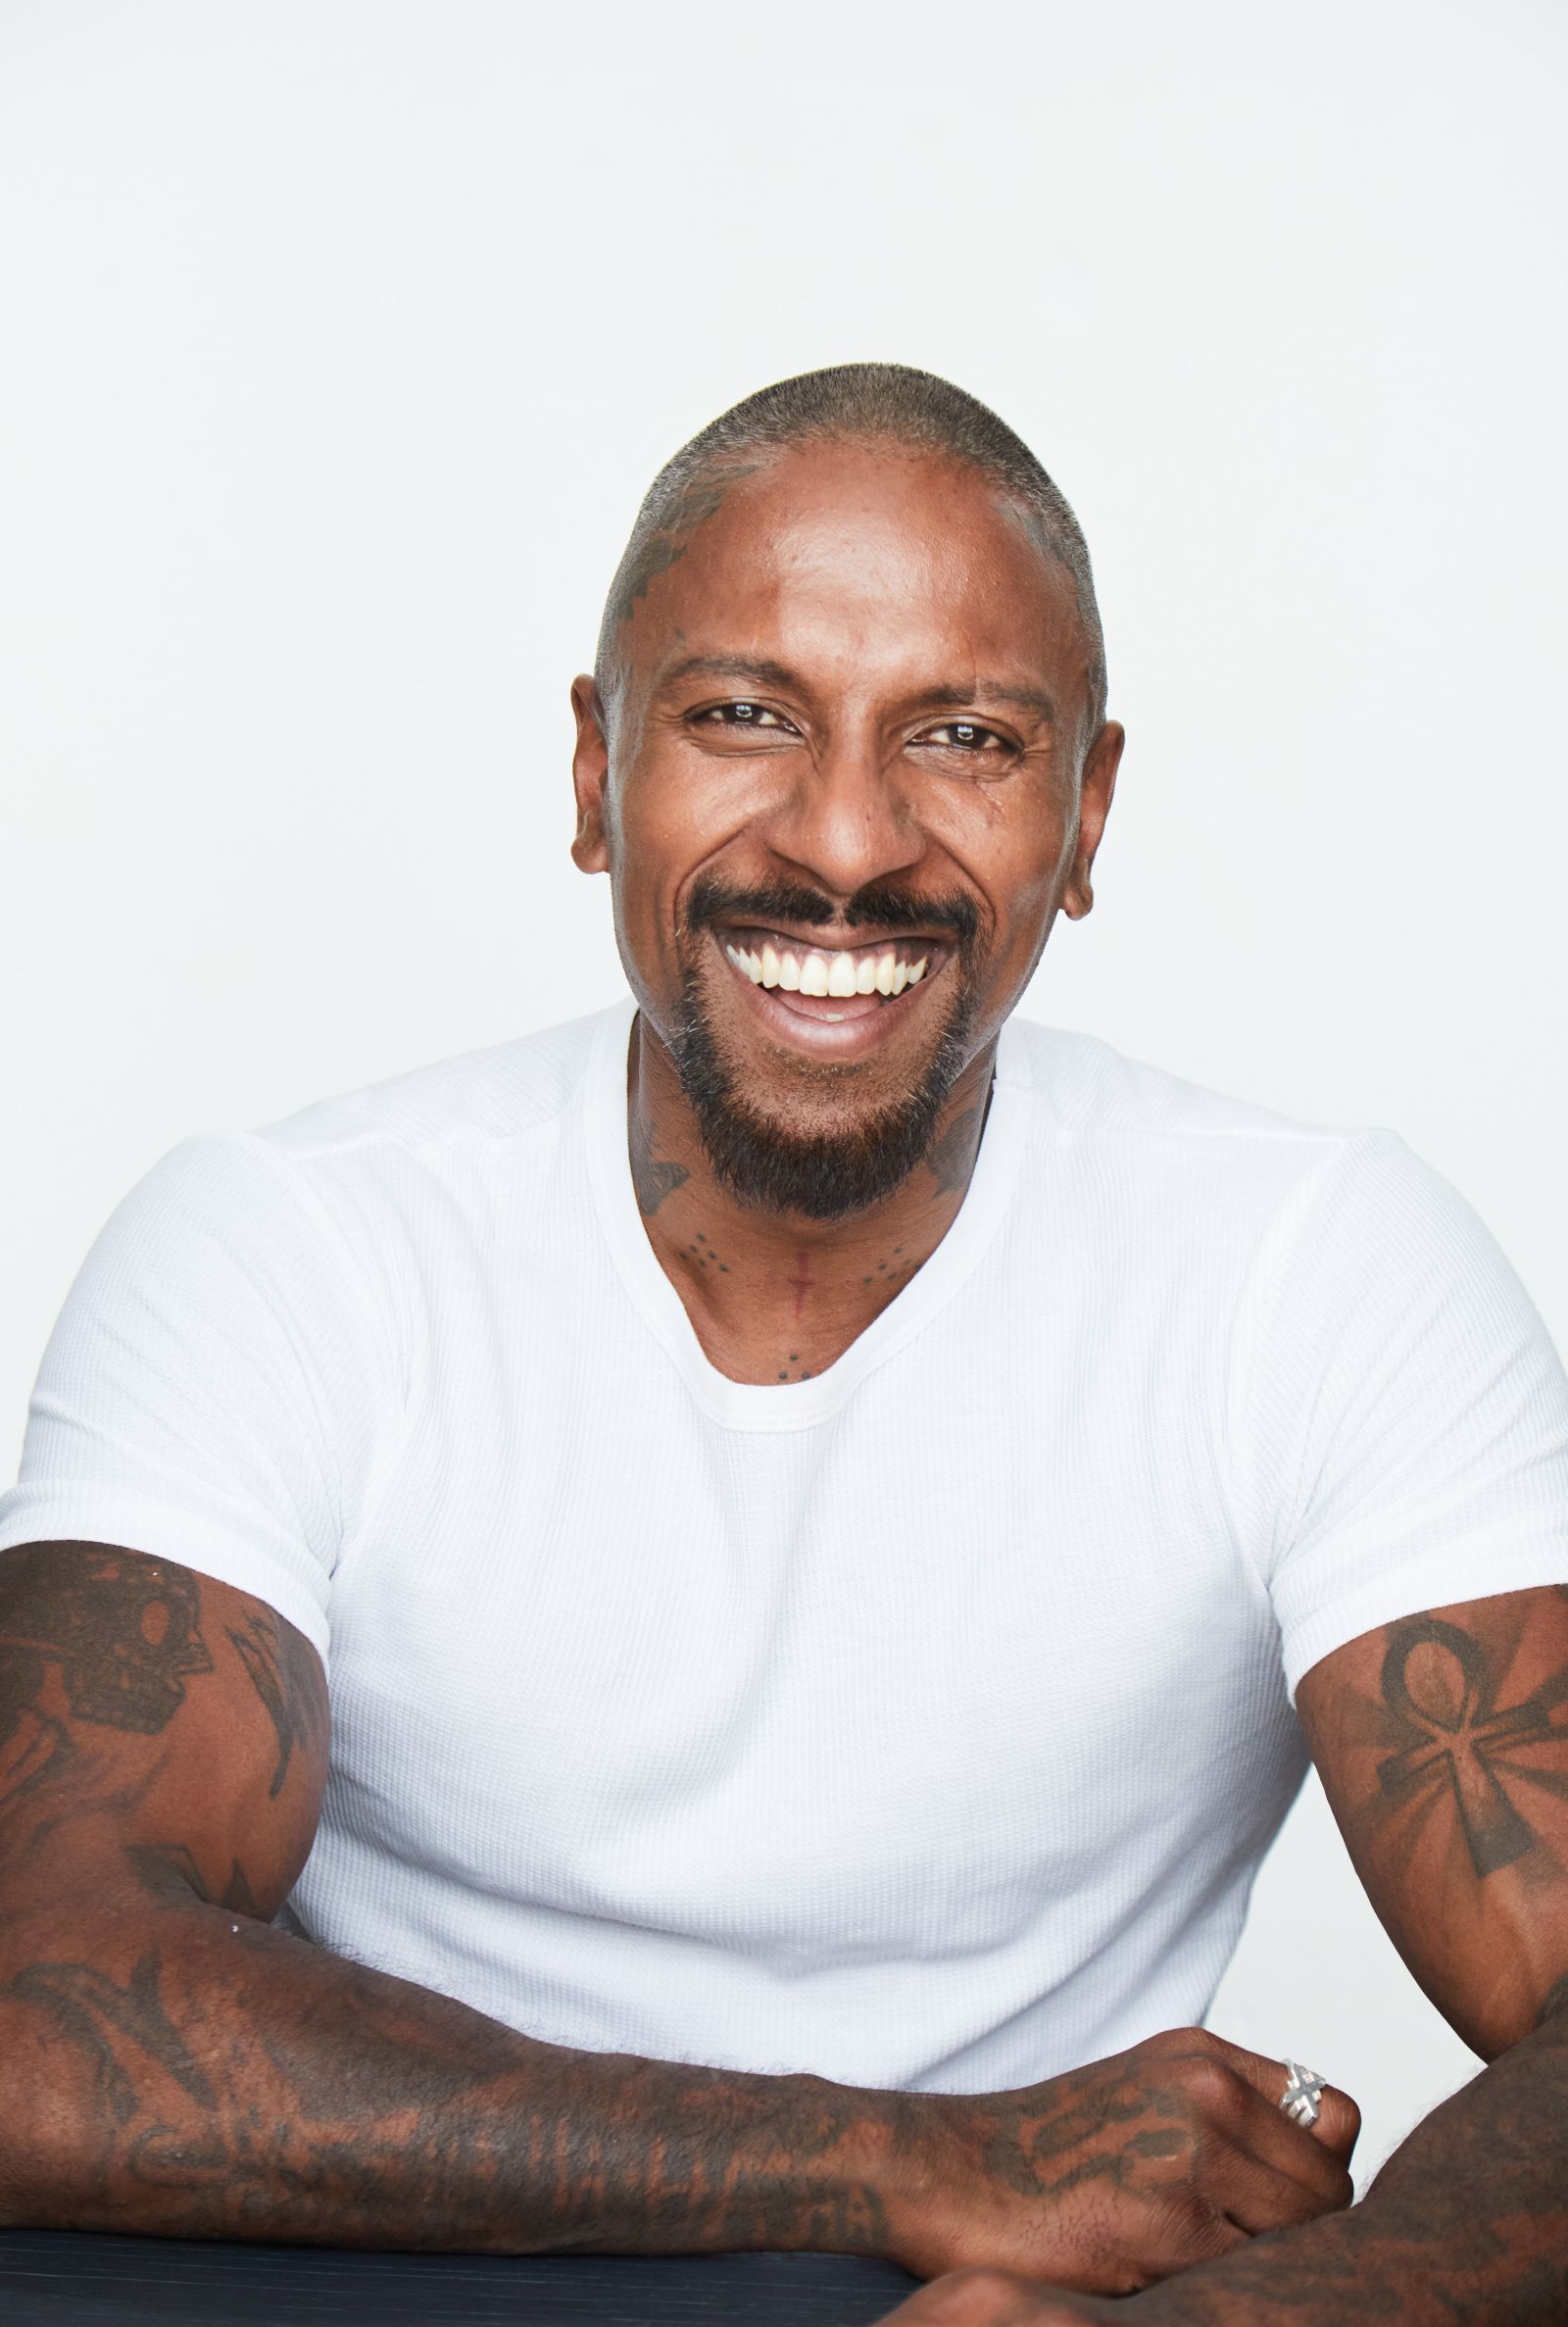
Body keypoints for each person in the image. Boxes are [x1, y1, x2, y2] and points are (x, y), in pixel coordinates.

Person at [1, 365, 1565, 2324]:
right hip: (354, 2249)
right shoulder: (298, 1245)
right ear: (594, 776)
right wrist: (901, 2155)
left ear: (1081, 816)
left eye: (965, 738)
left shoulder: (1306, 1272)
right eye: (742, 715)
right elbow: (32, 2003)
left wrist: (1238, 2325)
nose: (841, 841)